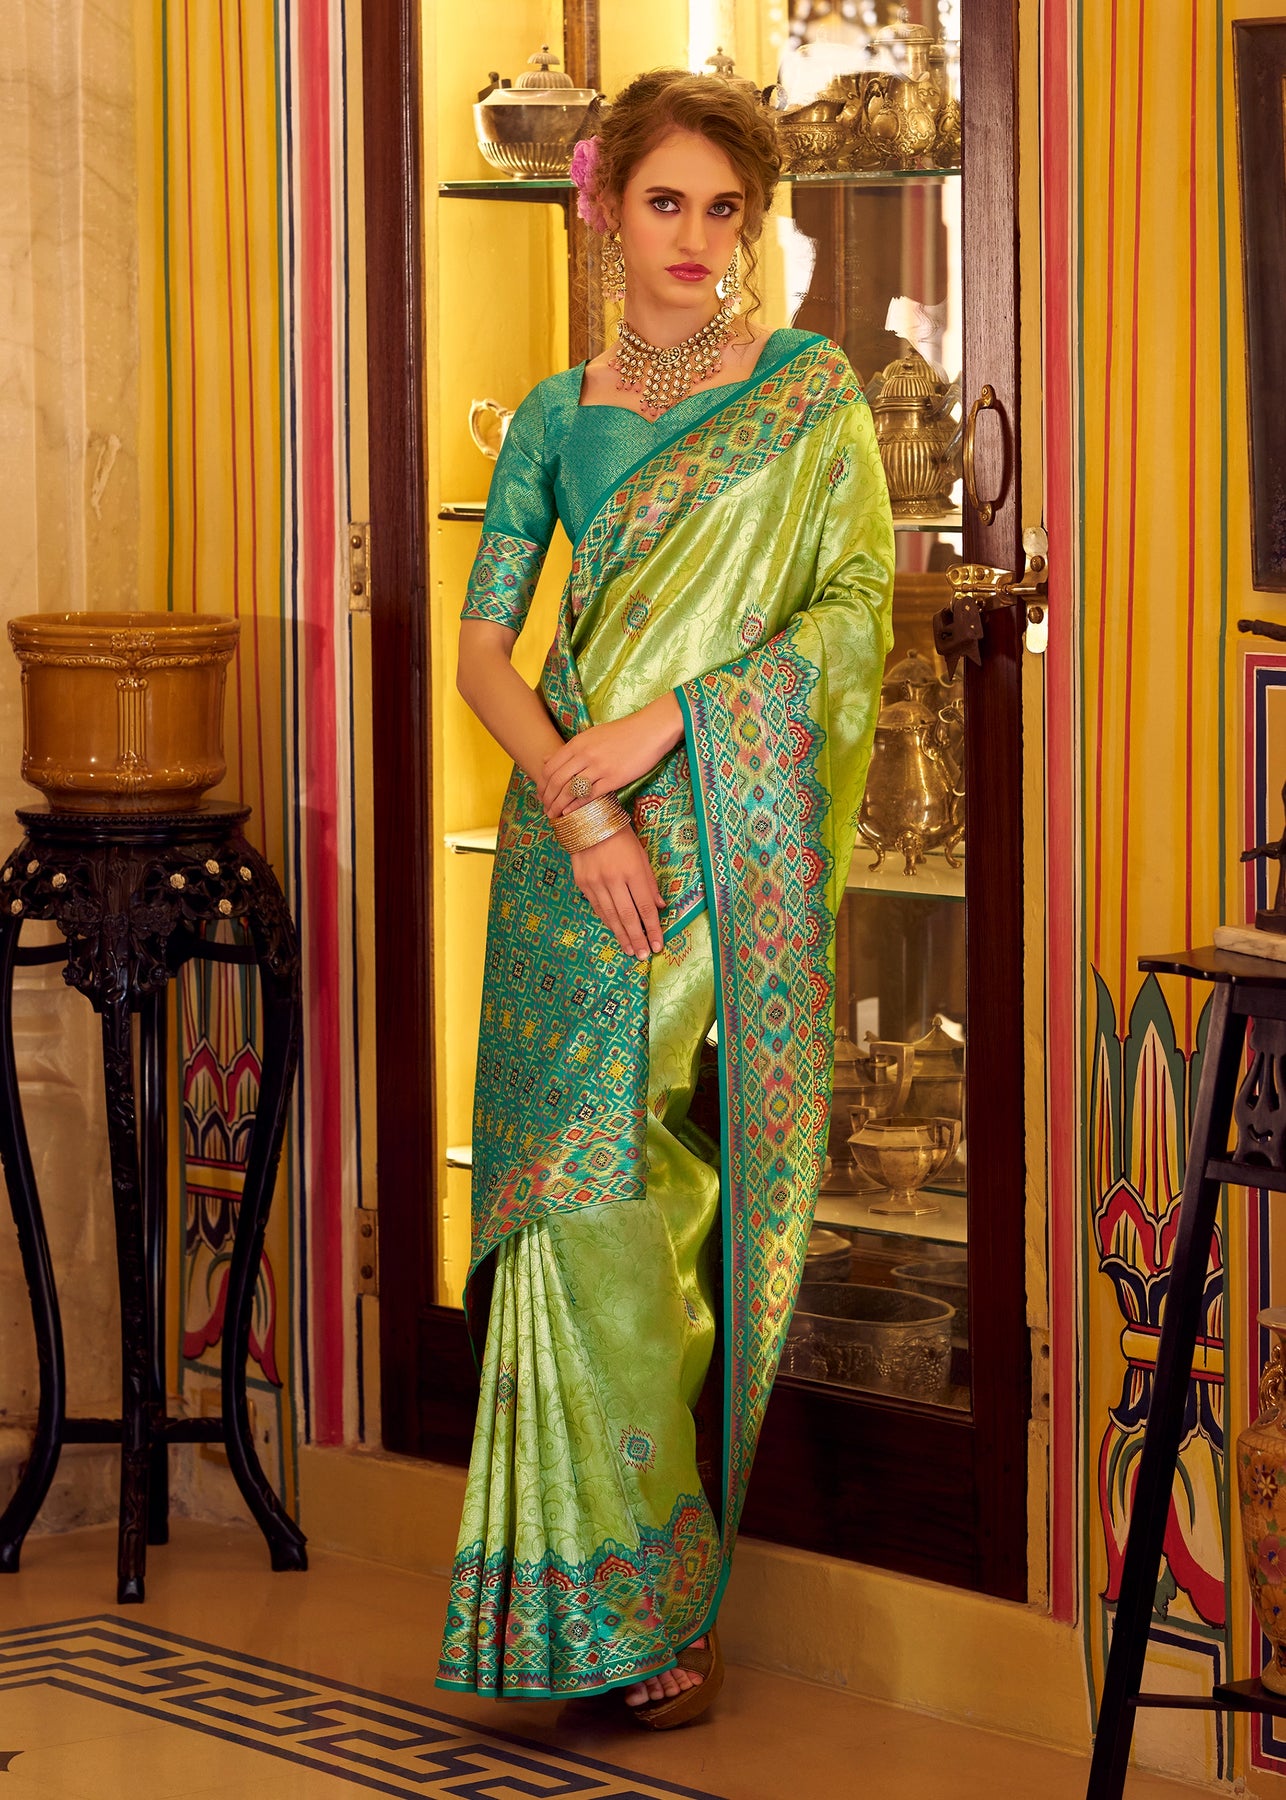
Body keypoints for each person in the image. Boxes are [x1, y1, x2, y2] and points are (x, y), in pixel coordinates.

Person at [436, 68, 895, 1729]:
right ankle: (560, 1616)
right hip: (572, 863)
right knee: (571, 1216)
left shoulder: (806, 395)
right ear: (600, 208)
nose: (696, 237)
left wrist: (669, 725)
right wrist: (581, 809)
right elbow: (483, 653)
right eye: (663, 202)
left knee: (655, 1205)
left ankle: (650, 1605)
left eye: (725, 207)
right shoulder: (554, 419)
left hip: (718, 840)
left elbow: (856, 608)